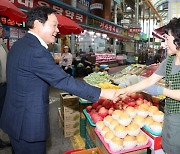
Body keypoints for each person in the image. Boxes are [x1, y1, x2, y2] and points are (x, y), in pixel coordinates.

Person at [0, 6, 119, 154]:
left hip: (14, 119)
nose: (57, 30)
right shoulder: (36, 51)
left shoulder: (19, 45)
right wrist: (102, 93)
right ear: (37, 24)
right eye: (54, 25)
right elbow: (64, 81)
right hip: (28, 125)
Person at [116, 17, 180, 154]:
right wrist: (125, 90)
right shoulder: (169, 61)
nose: (165, 42)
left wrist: (161, 90)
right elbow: (149, 81)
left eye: (167, 38)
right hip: (170, 119)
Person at [0, 20, 11, 149]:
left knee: (3, 112)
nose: (1, 29)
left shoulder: (2, 44)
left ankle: (2, 138)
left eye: (2, 26)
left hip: (5, 85)